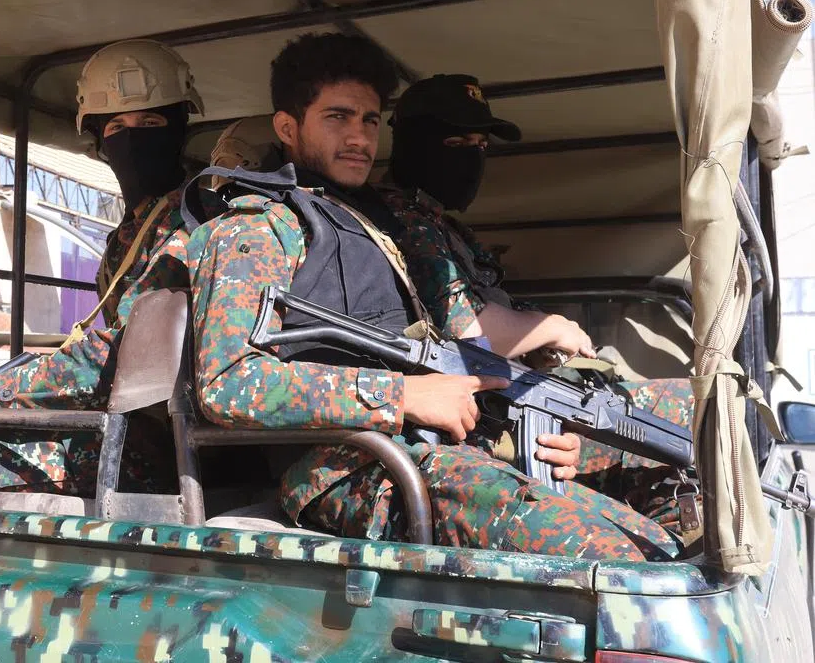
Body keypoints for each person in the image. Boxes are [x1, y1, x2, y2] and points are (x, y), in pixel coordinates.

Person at [184, 32, 680, 560]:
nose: (358, 137)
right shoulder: (258, 229)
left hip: (439, 446)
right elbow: (226, 382)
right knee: (611, 553)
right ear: (288, 127)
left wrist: (538, 432)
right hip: (344, 464)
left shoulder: (383, 225)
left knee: (656, 540)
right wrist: (405, 396)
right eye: (337, 117)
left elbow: (451, 344)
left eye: (370, 121)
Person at [0, 39, 203, 501]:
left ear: (180, 127)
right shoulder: (133, 230)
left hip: (165, 444)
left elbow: (122, 356)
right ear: (98, 139)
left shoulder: (194, 223)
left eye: (151, 123)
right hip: (120, 427)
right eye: (118, 127)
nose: (134, 138)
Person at [381, 74, 697, 532]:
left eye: (481, 145)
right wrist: (549, 326)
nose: (473, 155)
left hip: (518, 399)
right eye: (457, 141)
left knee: (697, 419)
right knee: (686, 416)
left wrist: (539, 346)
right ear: (412, 141)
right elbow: (468, 330)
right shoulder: (404, 219)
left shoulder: (445, 227)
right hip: (477, 420)